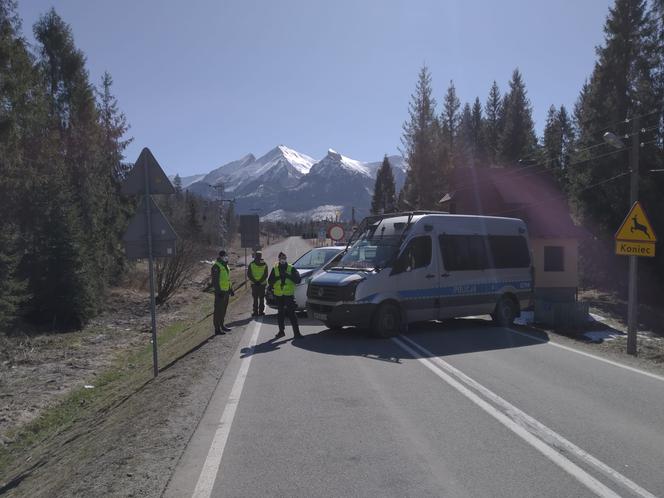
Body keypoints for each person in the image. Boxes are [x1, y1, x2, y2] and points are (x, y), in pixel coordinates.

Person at [268, 252, 302, 339]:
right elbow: (270, 281)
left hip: (288, 295)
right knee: (280, 314)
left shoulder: (291, 268)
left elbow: (298, 280)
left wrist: (288, 276)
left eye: (284, 258)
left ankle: (297, 333)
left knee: (292, 314)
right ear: (278, 259)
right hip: (279, 295)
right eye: (281, 258)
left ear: (286, 258)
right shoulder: (275, 269)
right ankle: (281, 331)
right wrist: (277, 279)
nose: (283, 259)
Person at [211, 250, 234, 335]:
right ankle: (217, 329)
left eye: (226, 255)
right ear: (221, 256)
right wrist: (218, 291)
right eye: (224, 255)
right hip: (220, 293)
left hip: (226, 291)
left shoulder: (226, 265)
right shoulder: (216, 266)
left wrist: (231, 289)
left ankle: (222, 325)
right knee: (218, 310)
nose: (226, 257)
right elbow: (215, 281)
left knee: (223, 310)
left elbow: (227, 279)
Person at [247, 250, 268, 316]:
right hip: (262, 284)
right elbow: (266, 274)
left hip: (254, 284)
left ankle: (255, 312)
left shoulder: (251, 264)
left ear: (255, 256)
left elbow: (249, 274)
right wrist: (260, 281)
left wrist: (255, 281)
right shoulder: (264, 264)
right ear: (261, 256)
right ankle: (261, 312)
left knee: (255, 298)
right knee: (261, 298)